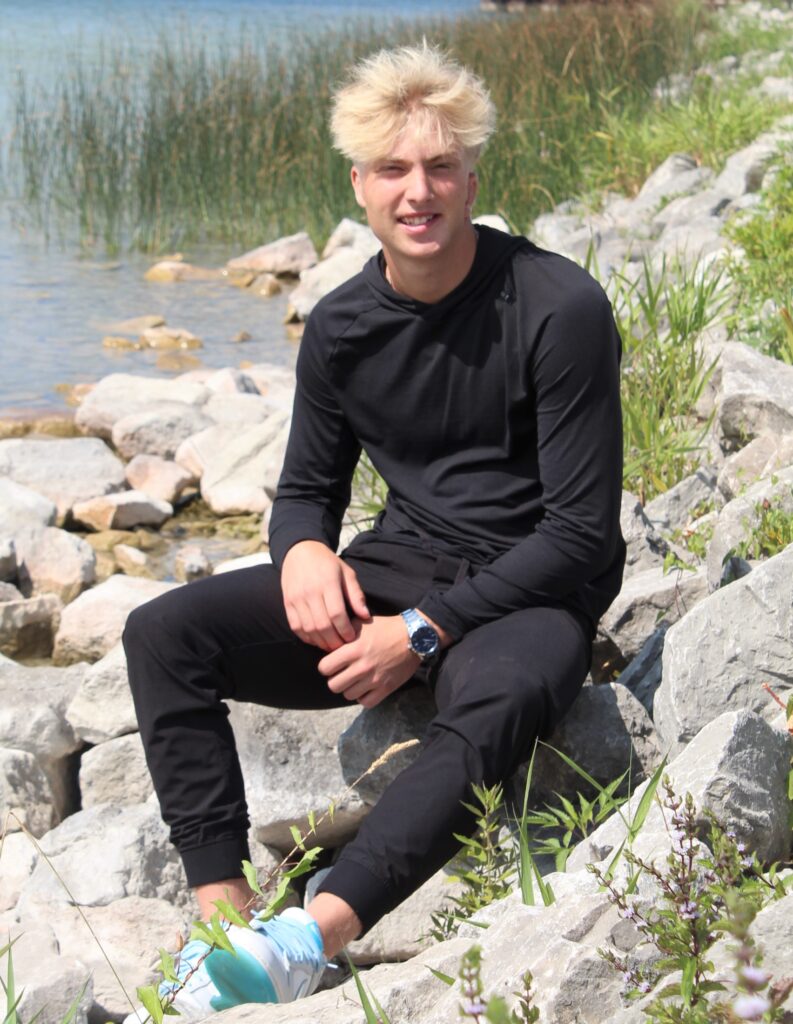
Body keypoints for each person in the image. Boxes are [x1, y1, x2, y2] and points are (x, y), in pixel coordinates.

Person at [122, 42, 625, 1017]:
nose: (418, 190)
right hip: (397, 566)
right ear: (358, 184)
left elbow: (580, 534)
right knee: (163, 633)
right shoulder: (345, 323)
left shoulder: (560, 307)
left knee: (499, 698)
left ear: (473, 176)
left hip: (531, 587)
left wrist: (425, 631)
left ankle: (310, 939)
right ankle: (225, 935)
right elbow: (307, 488)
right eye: (394, 168)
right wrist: (302, 549)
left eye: (440, 167)